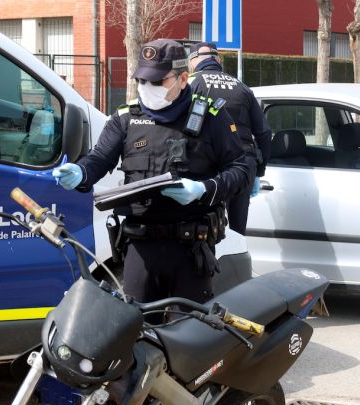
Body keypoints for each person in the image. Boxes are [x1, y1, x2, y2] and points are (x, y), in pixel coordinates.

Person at [53, 39, 253, 307]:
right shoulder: (126, 118)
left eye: (157, 82)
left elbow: (240, 169)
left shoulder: (211, 117)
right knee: (138, 331)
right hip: (140, 246)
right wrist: (80, 172)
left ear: (183, 79)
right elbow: (99, 158)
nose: (147, 88)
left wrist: (204, 189)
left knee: (191, 335)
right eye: (142, 81)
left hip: (191, 247)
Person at [187, 42, 272, 235]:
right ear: (218, 60)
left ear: (193, 62)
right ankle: (235, 263)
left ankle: (209, 263)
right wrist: (258, 171)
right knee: (237, 231)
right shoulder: (242, 87)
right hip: (243, 163)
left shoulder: (192, 83)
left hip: (207, 162)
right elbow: (265, 133)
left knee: (203, 227)